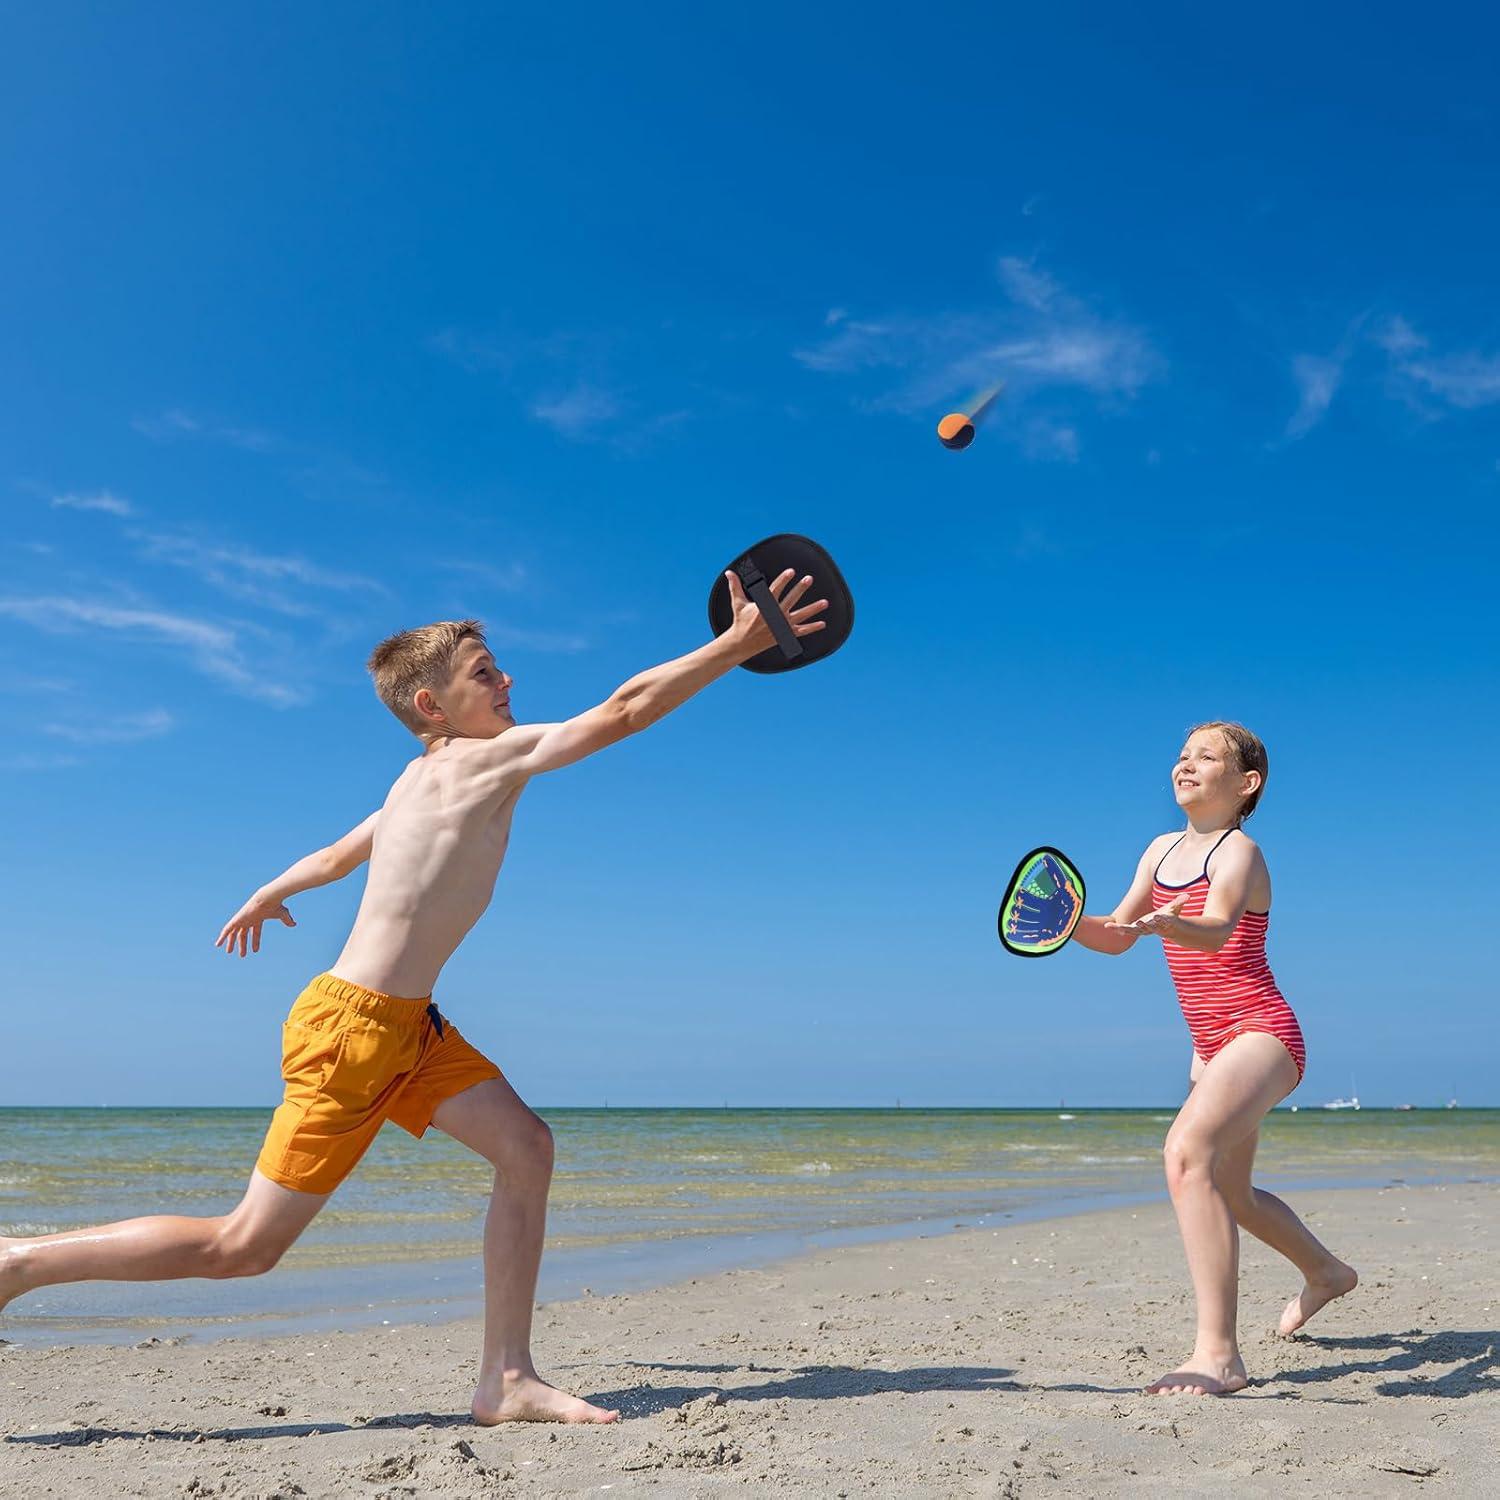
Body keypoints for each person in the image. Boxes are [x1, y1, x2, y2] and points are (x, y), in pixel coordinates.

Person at [0, 569, 827, 1424]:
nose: (506, 683)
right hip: (352, 1035)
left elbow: (336, 854)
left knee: (525, 1148)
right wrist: (734, 646)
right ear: (433, 705)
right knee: (242, 1246)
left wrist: (267, 891)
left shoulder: (413, 780)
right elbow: (620, 712)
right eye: (485, 673)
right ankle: (17, 1264)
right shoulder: (480, 763)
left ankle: (506, 1380)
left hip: (409, 1031)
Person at [1071, 721, 1357, 1395]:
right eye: (1181, 755)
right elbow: (1117, 936)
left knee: (1184, 1154)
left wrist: (1173, 924)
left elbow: (1220, 925)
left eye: (1207, 756)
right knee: (1232, 1193)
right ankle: (1327, 1274)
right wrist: (1068, 924)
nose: (1186, 764)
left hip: (1264, 1034)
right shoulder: (1159, 849)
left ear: (1245, 783)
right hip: (1210, 1049)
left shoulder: (1240, 852)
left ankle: (1218, 1355)